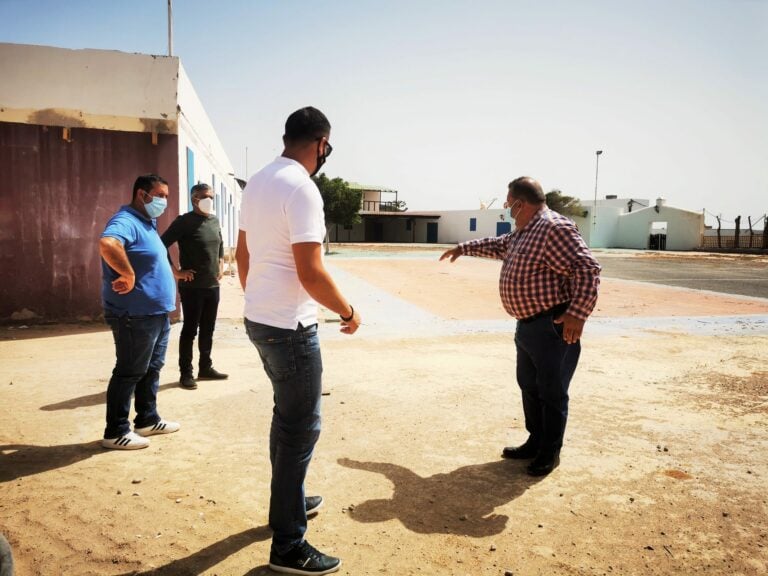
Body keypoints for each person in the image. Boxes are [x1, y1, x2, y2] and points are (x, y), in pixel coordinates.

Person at [236, 106, 360, 575]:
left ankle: (285, 506)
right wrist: (347, 311)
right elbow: (311, 271)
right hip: (290, 328)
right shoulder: (302, 189)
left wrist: (260, 301)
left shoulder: (260, 180)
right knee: (301, 427)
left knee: (285, 419)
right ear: (321, 144)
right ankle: (288, 544)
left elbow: (243, 253)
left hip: (261, 320)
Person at [440, 176, 600, 476]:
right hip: (527, 327)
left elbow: (587, 267)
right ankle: (536, 440)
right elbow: (497, 245)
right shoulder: (524, 232)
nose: (506, 209)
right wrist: (464, 247)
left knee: (552, 392)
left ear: (520, 203)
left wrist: (578, 313)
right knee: (529, 385)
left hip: (551, 326)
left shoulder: (554, 227)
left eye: (508, 203)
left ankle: (550, 452)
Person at [99, 174, 181, 450]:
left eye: (166, 196)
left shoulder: (148, 223)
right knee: (129, 371)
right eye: (159, 195)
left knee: (152, 368)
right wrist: (127, 272)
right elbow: (108, 244)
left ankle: (146, 419)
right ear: (141, 194)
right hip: (133, 314)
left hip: (155, 312)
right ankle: (116, 431)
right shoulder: (126, 221)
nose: (163, 201)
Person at [161, 183, 228, 390]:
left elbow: (220, 244)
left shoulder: (214, 220)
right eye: (204, 197)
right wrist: (176, 272)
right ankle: (186, 373)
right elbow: (161, 244)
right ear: (194, 199)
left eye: (211, 197)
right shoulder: (184, 222)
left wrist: (221, 264)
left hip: (212, 286)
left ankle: (205, 367)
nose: (209, 200)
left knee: (208, 328)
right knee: (190, 330)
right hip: (192, 288)